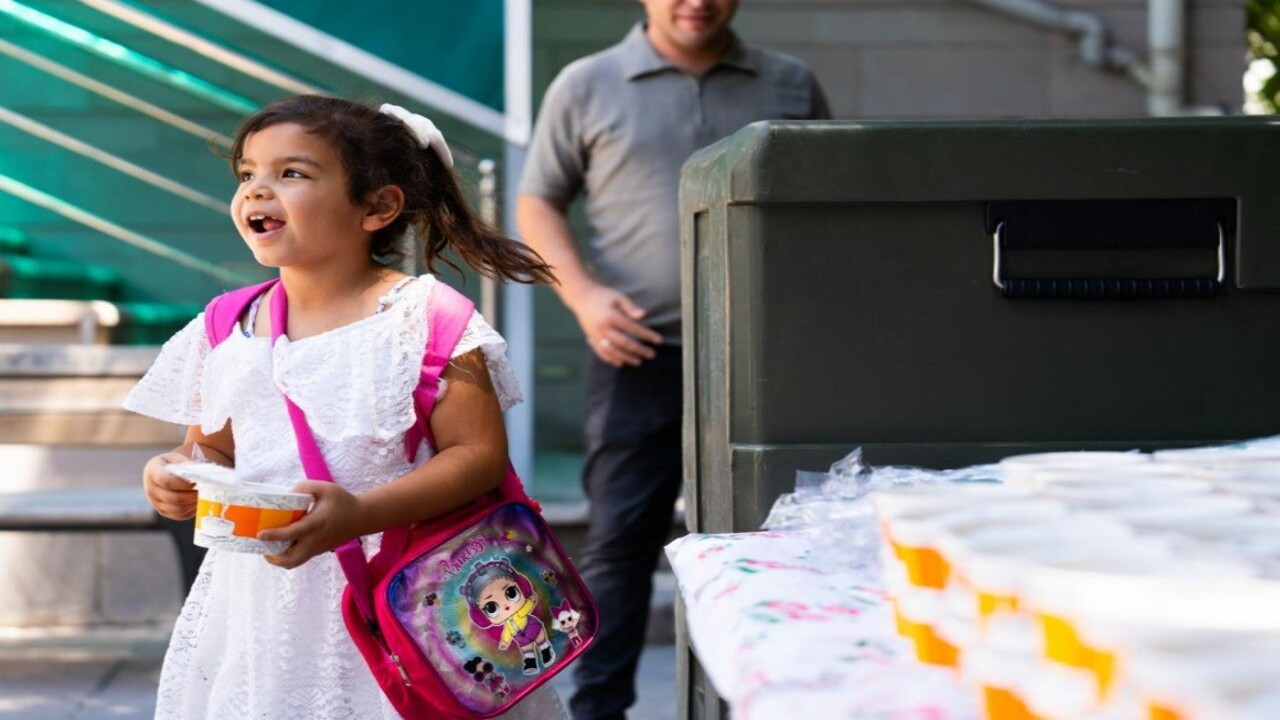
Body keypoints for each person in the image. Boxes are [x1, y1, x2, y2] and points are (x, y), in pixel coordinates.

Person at [124, 94, 567, 719]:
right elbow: (213, 447)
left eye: (292, 173)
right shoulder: (228, 324)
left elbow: (479, 457)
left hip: (405, 593)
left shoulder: (428, 319)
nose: (256, 191)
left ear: (378, 206)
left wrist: (359, 514)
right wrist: (175, 471)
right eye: (248, 173)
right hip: (261, 606)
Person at [515, 1, 830, 717]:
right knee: (619, 545)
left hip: (766, 359)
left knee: (776, 540)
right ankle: (598, 712)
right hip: (637, 356)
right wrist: (585, 297)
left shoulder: (791, 83)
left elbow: (822, 206)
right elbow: (538, 202)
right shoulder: (587, 82)